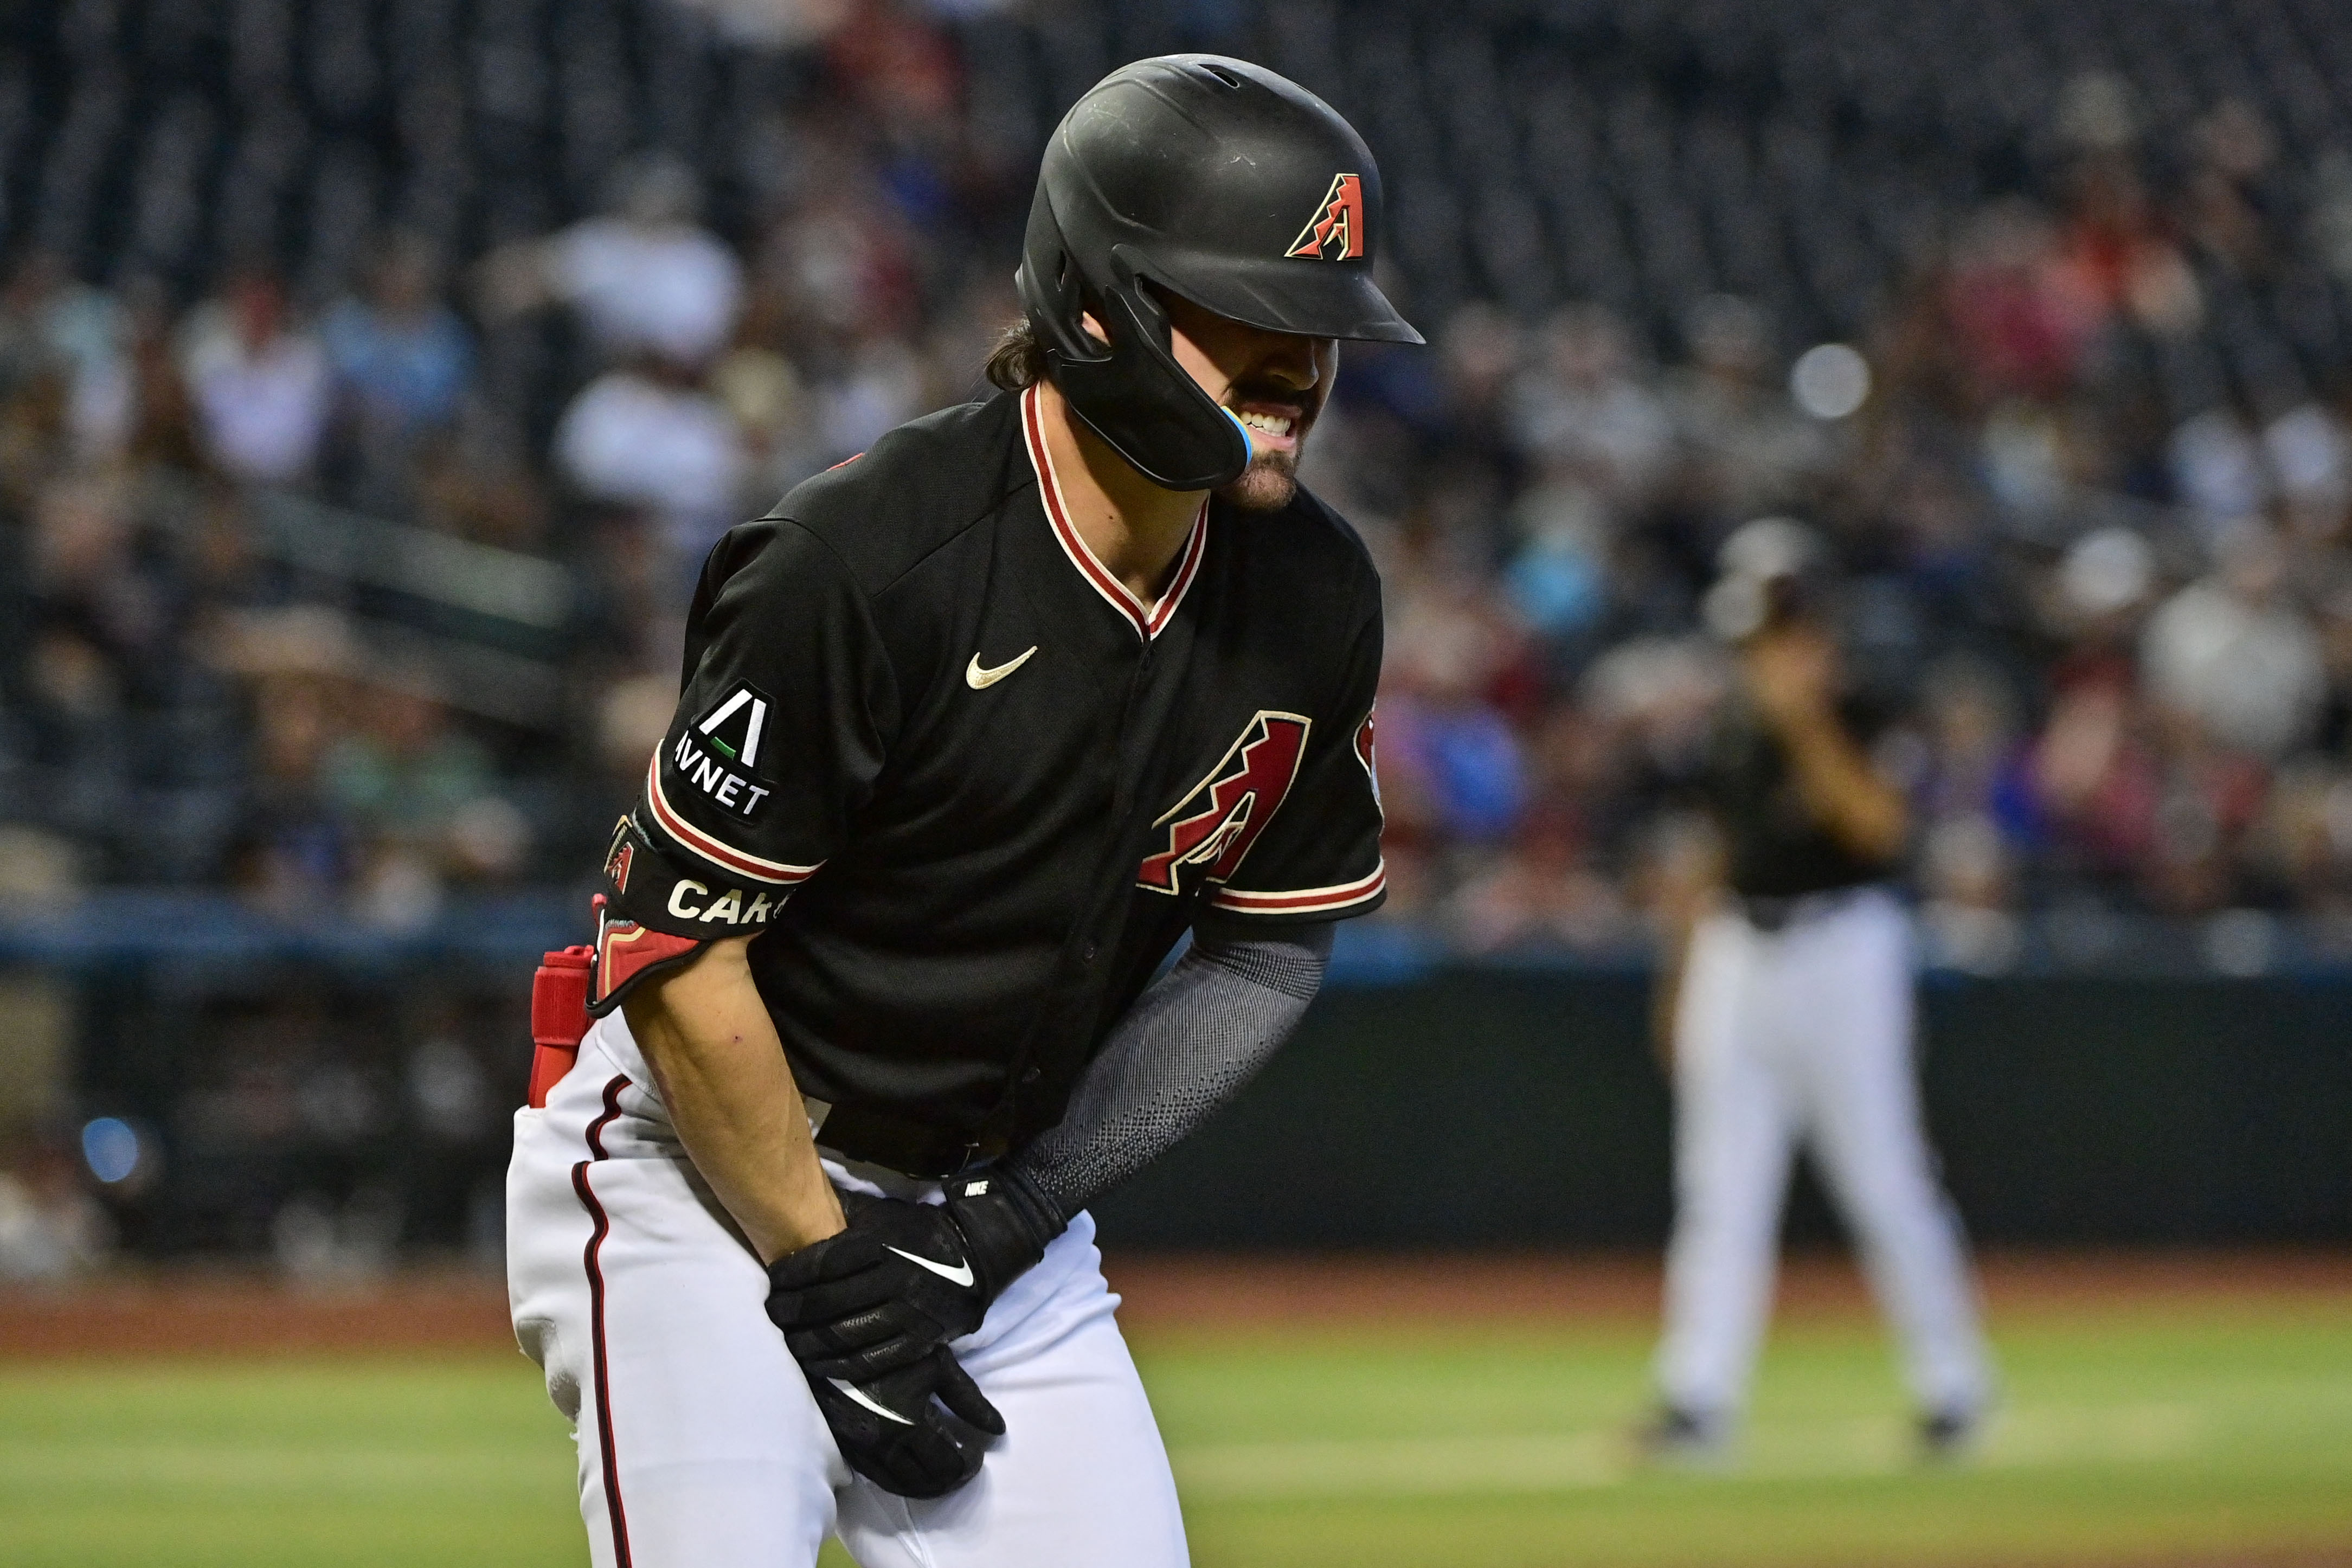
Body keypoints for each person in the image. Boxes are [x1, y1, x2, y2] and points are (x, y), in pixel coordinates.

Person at [506, 55, 1419, 1567]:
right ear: (1101, 305)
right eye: (1247, 321)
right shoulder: (861, 561)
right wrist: (820, 1263)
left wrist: (1006, 1224)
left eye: (1318, 327)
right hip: (701, 1172)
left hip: (987, 1211)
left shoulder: (1315, 594)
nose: (1303, 369)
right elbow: (675, 949)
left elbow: (1266, 951)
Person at [1644, 518, 1994, 1462]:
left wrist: (1806, 723)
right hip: (1737, 949)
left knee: (1884, 1177)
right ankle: (1696, 1401)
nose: (1758, 656)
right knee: (1719, 1187)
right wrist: (1679, 982)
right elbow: (1710, 854)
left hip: (1844, 947)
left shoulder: (1867, 710)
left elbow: (1879, 830)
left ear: (1812, 632)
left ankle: (1954, 1389)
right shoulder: (1728, 724)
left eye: (1773, 635)